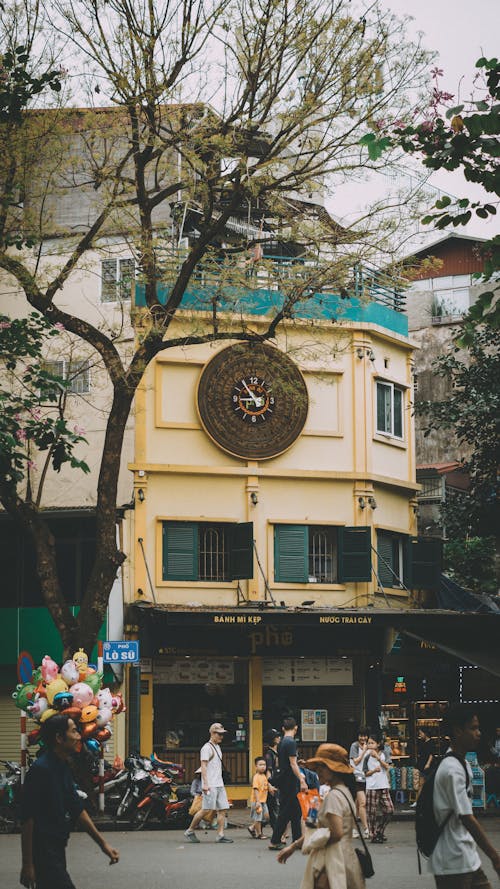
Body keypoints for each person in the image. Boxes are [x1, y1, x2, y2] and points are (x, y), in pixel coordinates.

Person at [20, 713, 119, 889]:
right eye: (74, 732)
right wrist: (28, 864)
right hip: (44, 852)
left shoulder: (62, 765)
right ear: (59, 738)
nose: (79, 736)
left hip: (57, 848)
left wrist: (103, 844)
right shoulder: (40, 770)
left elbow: (77, 809)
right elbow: (27, 819)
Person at [428, 704, 500, 888]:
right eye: (473, 728)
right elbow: (466, 817)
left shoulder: (462, 763)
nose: (479, 733)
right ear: (458, 731)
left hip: (467, 858)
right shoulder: (451, 769)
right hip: (452, 863)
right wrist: (494, 855)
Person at [277, 743, 365, 889]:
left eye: (322, 767)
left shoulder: (333, 797)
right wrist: (294, 846)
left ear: (334, 769)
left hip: (330, 861)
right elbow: (325, 829)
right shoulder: (345, 792)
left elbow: (335, 833)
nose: (318, 771)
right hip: (346, 858)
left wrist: (312, 842)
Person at [184, 722, 233, 843]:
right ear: (212, 733)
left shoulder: (218, 747)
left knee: (223, 809)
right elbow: (203, 767)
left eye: (222, 734)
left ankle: (220, 835)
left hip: (219, 783)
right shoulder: (206, 748)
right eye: (219, 734)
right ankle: (190, 830)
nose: (221, 737)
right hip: (210, 784)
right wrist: (205, 784)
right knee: (206, 810)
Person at [268, 715, 308, 851]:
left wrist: (296, 763)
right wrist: (302, 779)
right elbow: (292, 764)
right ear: (296, 728)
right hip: (290, 781)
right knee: (285, 812)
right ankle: (274, 841)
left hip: (284, 780)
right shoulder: (291, 742)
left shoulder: (281, 743)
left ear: (283, 728)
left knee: (295, 811)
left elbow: (282, 762)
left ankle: (297, 840)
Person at [363, 731, 393, 844]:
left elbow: (388, 767)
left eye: (372, 743)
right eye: (368, 743)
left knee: (389, 810)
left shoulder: (384, 753)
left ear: (378, 744)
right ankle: (373, 833)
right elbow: (365, 773)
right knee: (371, 812)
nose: (370, 745)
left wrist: (378, 759)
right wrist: (374, 770)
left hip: (383, 785)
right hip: (371, 787)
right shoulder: (366, 757)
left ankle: (379, 830)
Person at [349, 726, 370, 839]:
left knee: (357, 805)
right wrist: (364, 752)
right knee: (362, 803)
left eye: (365, 736)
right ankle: (366, 829)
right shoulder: (354, 746)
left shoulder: (369, 745)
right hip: (356, 777)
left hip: (367, 777)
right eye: (361, 735)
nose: (363, 738)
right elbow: (355, 762)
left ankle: (353, 829)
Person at [264, 728, 281, 832]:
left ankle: (254, 827)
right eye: (277, 737)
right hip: (272, 784)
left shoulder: (275, 753)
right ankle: (277, 831)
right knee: (273, 808)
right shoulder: (269, 754)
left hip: (276, 783)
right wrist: (269, 785)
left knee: (273, 807)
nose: (279, 738)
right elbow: (268, 771)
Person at [248, 756, 270, 839]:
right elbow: (256, 789)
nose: (263, 766)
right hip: (257, 801)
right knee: (258, 819)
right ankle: (259, 834)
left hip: (263, 801)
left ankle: (252, 827)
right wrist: (257, 802)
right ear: (256, 766)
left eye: (264, 765)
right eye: (260, 765)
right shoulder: (256, 777)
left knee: (267, 817)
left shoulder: (264, 776)